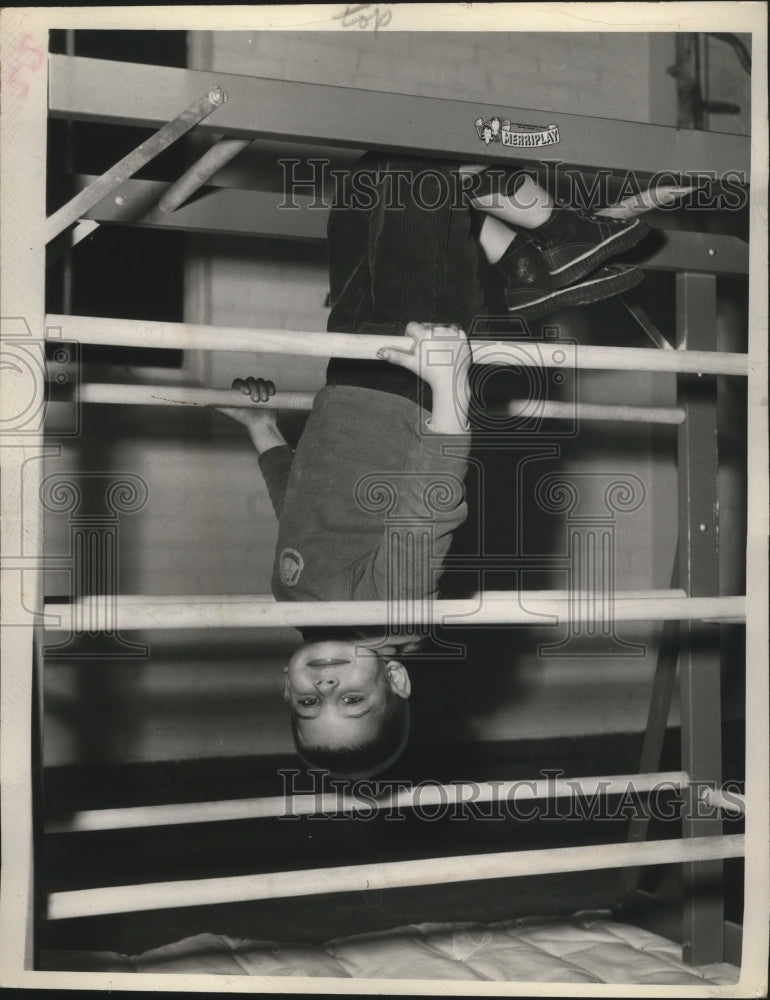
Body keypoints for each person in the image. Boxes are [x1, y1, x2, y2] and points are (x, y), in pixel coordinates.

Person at [219, 154, 652, 778]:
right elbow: (432, 499)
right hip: (415, 384)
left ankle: (534, 265)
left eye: (311, 701)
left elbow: (302, 506)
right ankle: (561, 236)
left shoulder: (300, 606)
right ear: (395, 677)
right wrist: (450, 388)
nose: (326, 683)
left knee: (365, 188)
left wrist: (263, 431)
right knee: (413, 171)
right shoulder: (390, 610)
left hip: (352, 374)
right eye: (353, 698)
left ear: (286, 689)